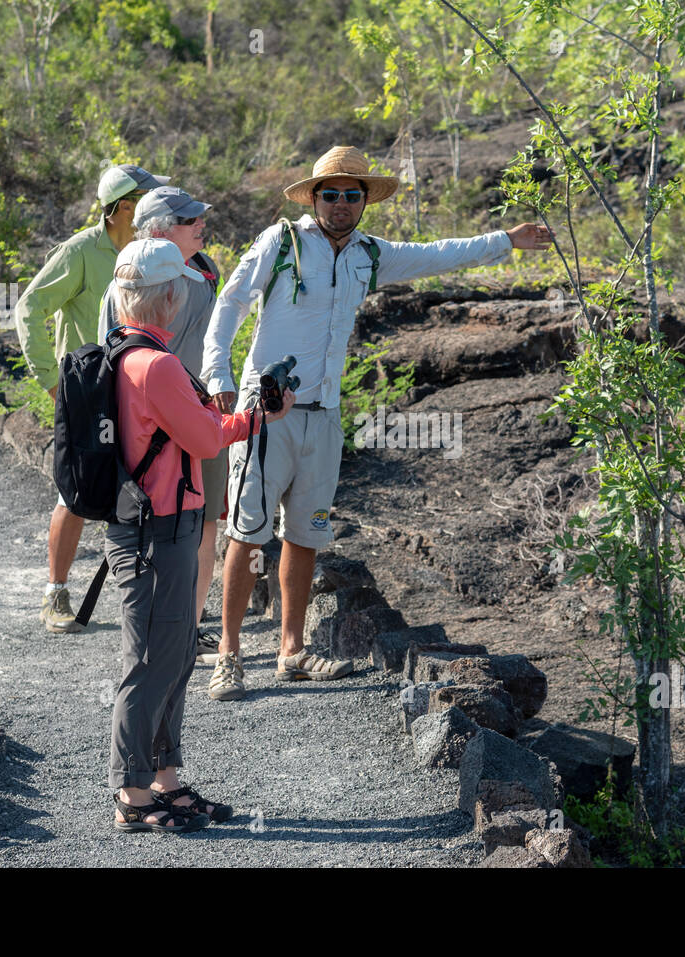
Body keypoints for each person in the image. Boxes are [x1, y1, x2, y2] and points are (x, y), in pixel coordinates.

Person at [200, 145, 552, 701]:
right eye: (331, 194)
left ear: (365, 200)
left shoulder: (370, 253)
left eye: (352, 194)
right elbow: (231, 302)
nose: (341, 203)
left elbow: (439, 253)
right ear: (314, 197)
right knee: (247, 532)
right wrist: (217, 373)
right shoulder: (283, 242)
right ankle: (229, 655)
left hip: (324, 414)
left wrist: (506, 240)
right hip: (266, 410)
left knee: (305, 532)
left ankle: (291, 653)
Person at [104, 237, 294, 831]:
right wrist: (260, 416)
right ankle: (133, 794)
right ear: (169, 297)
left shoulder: (122, 353)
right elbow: (208, 440)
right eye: (181, 290)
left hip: (148, 526)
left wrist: (236, 416)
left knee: (174, 653)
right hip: (159, 531)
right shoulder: (156, 364)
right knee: (155, 661)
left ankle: (165, 778)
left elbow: (194, 426)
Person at [12, 164, 169, 634]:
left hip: (140, 391)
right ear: (124, 207)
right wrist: (52, 380)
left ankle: (149, 596)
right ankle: (55, 594)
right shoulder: (81, 251)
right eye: (144, 200)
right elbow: (29, 308)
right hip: (88, 395)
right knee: (77, 492)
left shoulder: (152, 253)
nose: (153, 208)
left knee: (147, 487)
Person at [96, 186, 226, 662]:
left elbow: (217, 345)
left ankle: (186, 630)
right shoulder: (126, 284)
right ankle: (155, 634)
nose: (200, 223)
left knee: (206, 522)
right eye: (188, 219)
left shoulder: (208, 270)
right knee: (153, 527)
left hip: (200, 413)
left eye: (198, 217)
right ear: (158, 230)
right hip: (151, 421)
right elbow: (109, 355)